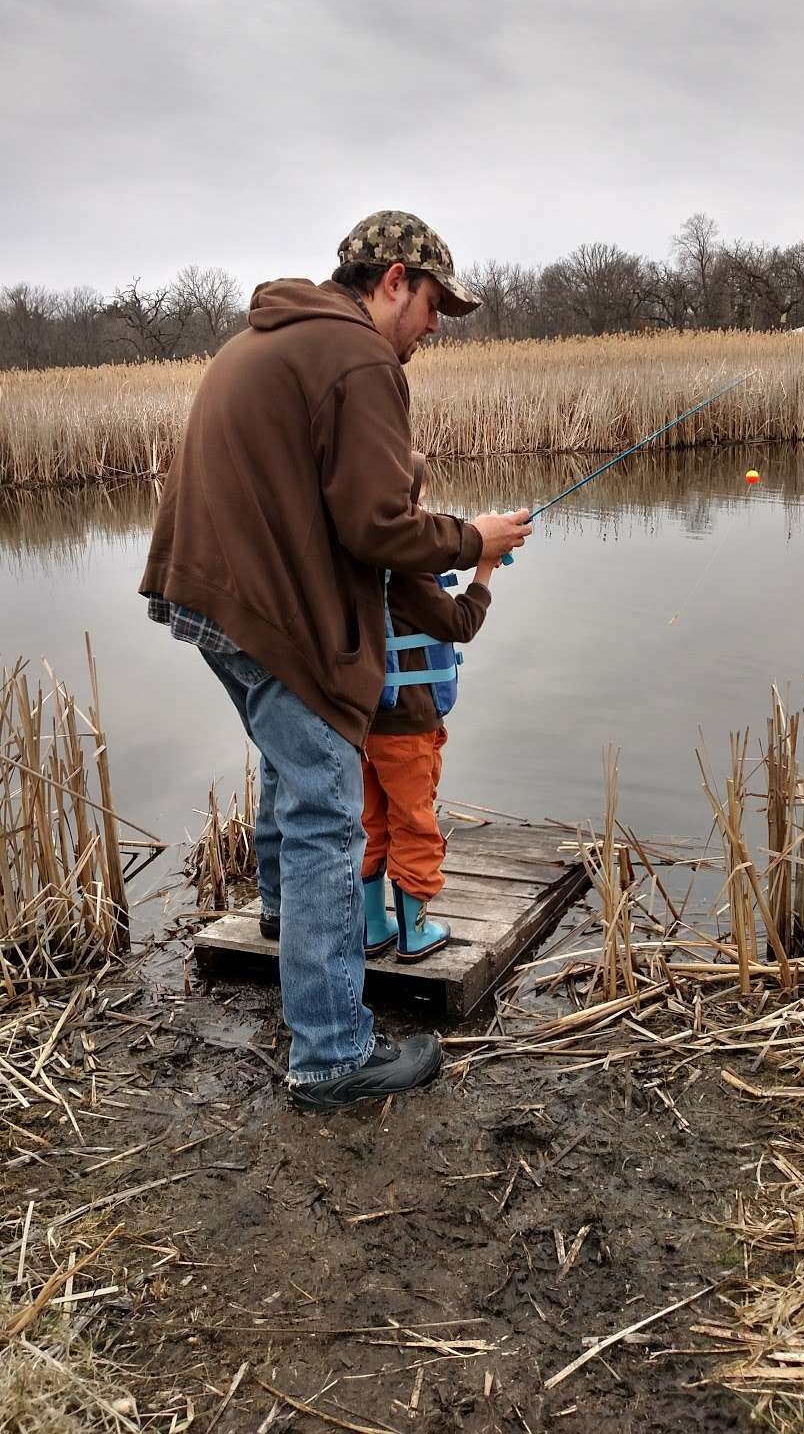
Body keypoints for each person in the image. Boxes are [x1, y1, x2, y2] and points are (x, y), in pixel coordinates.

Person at [138, 211, 532, 1112]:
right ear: (395, 279)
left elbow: (340, 520)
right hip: (270, 611)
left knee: (294, 769)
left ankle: (286, 922)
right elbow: (376, 526)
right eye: (435, 304)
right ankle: (332, 1055)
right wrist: (472, 538)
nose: (436, 327)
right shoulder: (358, 359)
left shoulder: (274, 336)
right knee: (326, 814)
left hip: (209, 597)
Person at [361, 454, 496, 962]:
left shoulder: (359, 559)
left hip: (363, 722)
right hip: (409, 726)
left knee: (371, 820)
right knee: (414, 820)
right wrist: (484, 571)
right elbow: (460, 623)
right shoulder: (409, 574)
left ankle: (375, 928)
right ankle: (415, 933)